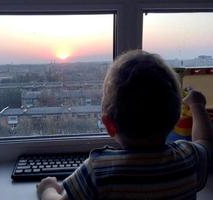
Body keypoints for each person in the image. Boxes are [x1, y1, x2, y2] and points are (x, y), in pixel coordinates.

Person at [37, 50, 213, 200]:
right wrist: (197, 106)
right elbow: (205, 141)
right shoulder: (188, 159)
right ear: (176, 117)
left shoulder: (98, 171)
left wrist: (47, 188)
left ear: (109, 125)